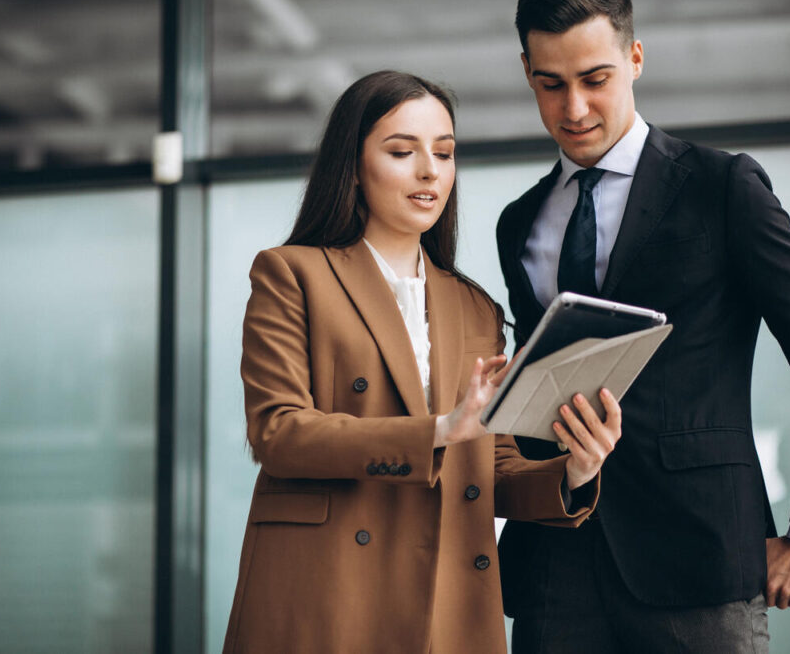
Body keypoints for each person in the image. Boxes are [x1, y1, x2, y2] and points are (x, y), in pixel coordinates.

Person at [495, 0, 790, 652]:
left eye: (596, 77)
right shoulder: (518, 223)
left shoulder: (722, 187)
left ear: (636, 58)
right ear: (527, 71)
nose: (574, 107)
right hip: (557, 567)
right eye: (551, 83)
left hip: (700, 559)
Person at [221, 70, 623, 654]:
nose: (430, 171)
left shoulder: (474, 306)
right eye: (401, 151)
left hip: (448, 601)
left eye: (444, 153)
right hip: (330, 592)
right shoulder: (292, 274)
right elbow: (278, 432)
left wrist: (575, 472)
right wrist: (438, 432)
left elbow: (491, 470)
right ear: (353, 165)